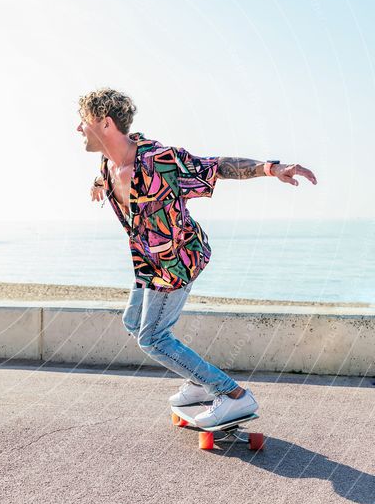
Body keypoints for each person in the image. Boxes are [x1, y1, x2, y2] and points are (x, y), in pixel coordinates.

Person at [77, 87, 317, 427]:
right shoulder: (108, 162)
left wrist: (270, 168)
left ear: (104, 124)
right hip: (146, 262)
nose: (77, 129)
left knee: (153, 338)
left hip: (177, 261)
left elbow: (216, 166)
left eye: (82, 121)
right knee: (133, 323)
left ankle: (233, 395)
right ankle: (197, 382)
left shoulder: (161, 160)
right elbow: (113, 175)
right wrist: (98, 183)